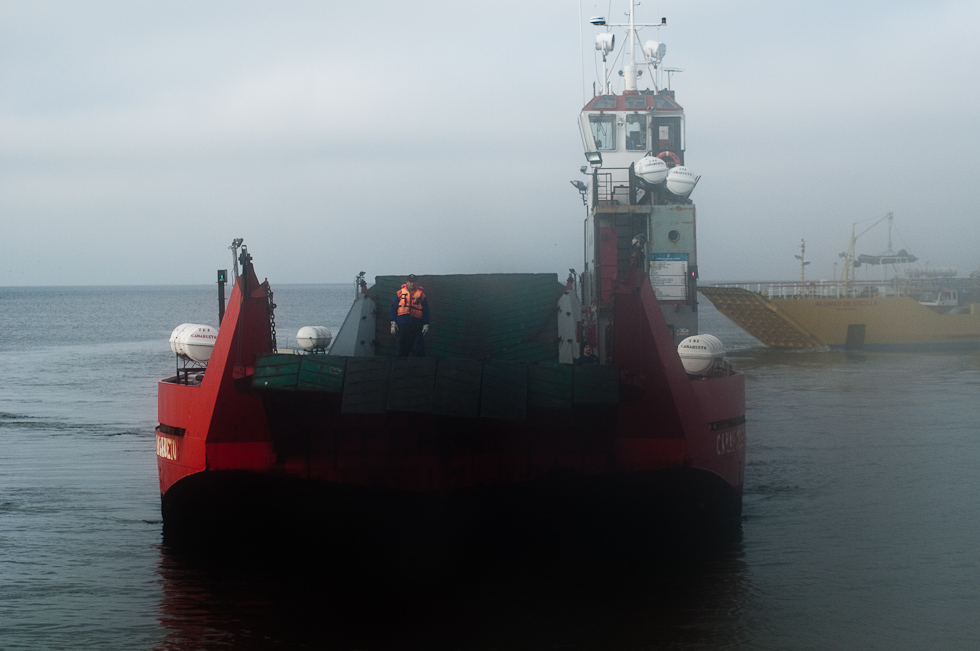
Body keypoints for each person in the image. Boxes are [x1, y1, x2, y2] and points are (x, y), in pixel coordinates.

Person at [390, 274, 430, 357]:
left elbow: (426, 310)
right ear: (407, 282)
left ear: (417, 283)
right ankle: (401, 367)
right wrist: (393, 323)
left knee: (418, 349)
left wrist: (426, 324)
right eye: (410, 282)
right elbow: (393, 308)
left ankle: (418, 367)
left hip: (417, 326)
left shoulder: (421, 295)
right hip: (403, 325)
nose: (412, 284)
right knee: (402, 349)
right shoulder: (400, 293)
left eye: (414, 282)